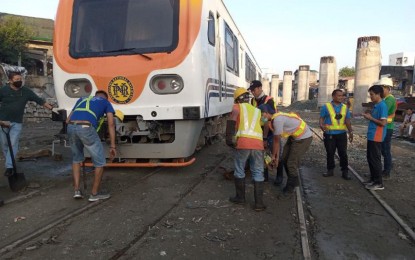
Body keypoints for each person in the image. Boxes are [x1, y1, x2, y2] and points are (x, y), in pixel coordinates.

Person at [66, 90, 116, 202]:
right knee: (100, 162)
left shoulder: (82, 99)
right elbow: (111, 124)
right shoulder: (106, 103)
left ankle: (77, 190)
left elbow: (67, 120)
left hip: (71, 127)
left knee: (76, 159)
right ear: (105, 98)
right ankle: (94, 194)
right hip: (86, 128)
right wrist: (113, 146)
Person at [0, 72, 53, 176]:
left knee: (13, 143)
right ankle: (9, 163)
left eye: (20, 78)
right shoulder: (4, 90)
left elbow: (38, 100)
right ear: (10, 81)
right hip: (3, 121)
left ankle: (9, 166)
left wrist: (50, 107)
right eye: (16, 79)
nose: (19, 81)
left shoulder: (25, 91)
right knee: (5, 144)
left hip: (17, 122)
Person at [226, 87, 266, 211]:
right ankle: (258, 204)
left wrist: (228, 139)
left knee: (239, 169)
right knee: (258, 171)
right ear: (247, 98)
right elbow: (264, 123)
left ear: (237, 99)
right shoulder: (257, 110)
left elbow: (232, 121)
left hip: (243, 143)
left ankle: (240, 198)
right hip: (258, 145)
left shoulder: (236, 107)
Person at [259, 104, 313, 193]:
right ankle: (294, 181)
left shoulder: (277, 121)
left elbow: (276, 142)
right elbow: (278, 142)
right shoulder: (273, 120)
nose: (261, 118)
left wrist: (273, 156)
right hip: (294, 137)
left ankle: (290, 188)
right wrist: (276, 157)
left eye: (261, 115)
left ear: (266, 113)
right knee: (284, 159)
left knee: (291, 163)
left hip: (303, 138)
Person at [248, 80, 282, 184]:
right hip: (259, 131)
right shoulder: (253, 101)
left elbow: (268, 120)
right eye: (251, 91)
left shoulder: (269, 100)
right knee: (263, 154)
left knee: (275, 153)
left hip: (270, 132)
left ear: (259, 88)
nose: (252, 92)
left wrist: (265, 138)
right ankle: (265, 176)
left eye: (253, 90)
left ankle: (279, 176)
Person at [319, 89, 353, 180]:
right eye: (339, 95)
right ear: (333, 96)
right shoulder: (326, 107)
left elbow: (347, 121)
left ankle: (345, 171)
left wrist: (351, 132)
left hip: (342, 134)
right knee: (330, 153)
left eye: (342, 95)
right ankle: (330, 170)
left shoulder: (345, 107)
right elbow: (321, 118)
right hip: (329, 134)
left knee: (343, 153)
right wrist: (321, 125)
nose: (341, 97)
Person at [362, 85, 388, 191]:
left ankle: (378, 183)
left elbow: (383, 123)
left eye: (372, 94)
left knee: (375, 159)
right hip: (372, 135)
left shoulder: (382, 106)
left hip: (377, 136)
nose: (371, 97)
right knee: (370, 158)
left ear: (378, 94)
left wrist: (370, 117)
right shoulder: (376, 105)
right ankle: (373, 179)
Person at [379, 78, 396, 180]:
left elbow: (383, 112)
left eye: (381, 89)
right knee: (383, 150)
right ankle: (387, 167)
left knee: (385, 150)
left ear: (386, 88)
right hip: (385, 126)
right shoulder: (386, 99)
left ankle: (387, 172)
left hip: (387, 127)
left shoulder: (389, 99)